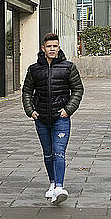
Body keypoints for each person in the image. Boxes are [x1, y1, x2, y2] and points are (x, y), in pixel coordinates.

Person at [22, 32, 84, 205]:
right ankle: (52, 184)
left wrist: (68, 110)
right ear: (43, 48)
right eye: (49, 46)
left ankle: (59, 187)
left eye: (55, 46)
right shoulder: (34, 69)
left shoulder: (68, 67)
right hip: (41, 117)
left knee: (59, 152)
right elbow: (27, 91)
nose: (52, 49)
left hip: (61, 118)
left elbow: (78, 89)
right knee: (48, 153)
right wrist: (30, 111)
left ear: (58, 47)